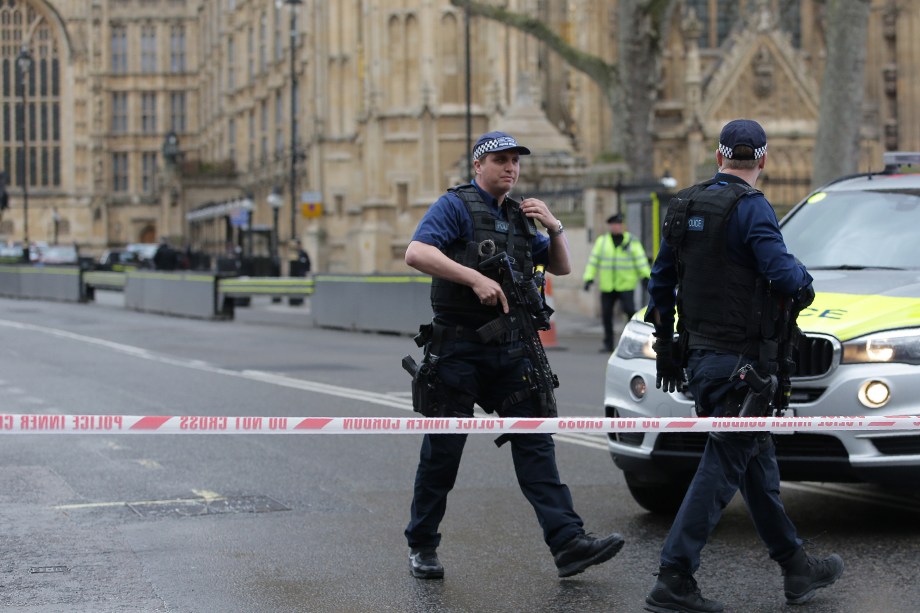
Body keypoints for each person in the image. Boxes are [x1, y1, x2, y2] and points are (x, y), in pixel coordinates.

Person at [403, 130, 624, 580]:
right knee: (443, 453)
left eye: (515, 161)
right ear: (478, 165)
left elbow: (560, 266)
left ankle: (568, 543)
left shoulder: (522, 216)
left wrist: (555, 226)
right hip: (459, 349)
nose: (510, 167)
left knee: (536, 443)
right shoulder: (456, 206)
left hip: (511, 349)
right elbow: (416, 252)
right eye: (500, 160)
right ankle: (422, 544)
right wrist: (474, 279)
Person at [642, 119, 843, 613]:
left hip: (702, 361)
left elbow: (661, 282)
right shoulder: (752, 208)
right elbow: (785, 277)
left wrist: (666, 347)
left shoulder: (684, 204)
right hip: (743, 367)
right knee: (723, 464)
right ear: (764, 160)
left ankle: (795, 567)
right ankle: (674, 575)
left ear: (718, 158)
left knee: (757, 464)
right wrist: (804, 279)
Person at [582, 212, 651, 352]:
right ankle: (608, 344)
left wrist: (645, 277)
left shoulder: (631, 241)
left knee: (630, 312)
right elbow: (593, 261)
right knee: (606, 315)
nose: (617, 227)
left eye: (620, 224)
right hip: (608, 286)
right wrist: (588, 278)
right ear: (610, 226)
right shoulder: (602, 242)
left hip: (626, 285)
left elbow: (641, 260)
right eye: (615, 224)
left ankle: (632, 341)